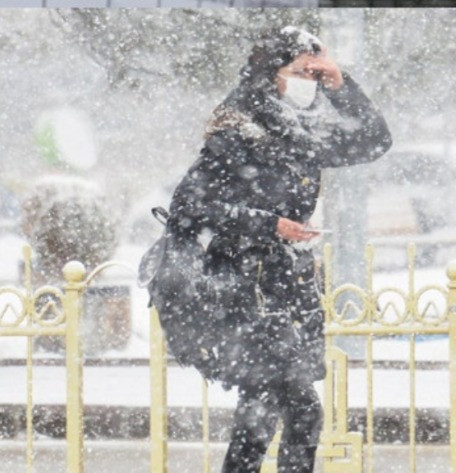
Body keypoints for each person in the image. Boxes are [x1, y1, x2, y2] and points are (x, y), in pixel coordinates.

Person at [163, 27, 391, 472]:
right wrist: (269, 225)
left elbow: (373, 141)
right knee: (300, 412)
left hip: (292, 289)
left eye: (316, 70)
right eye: (301, 70)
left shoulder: (302, 131)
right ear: (272, 74)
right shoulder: (240, 126)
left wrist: (341, 85)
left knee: (263, 414)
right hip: (249, 289)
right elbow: (187, 205)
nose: (310, 79)